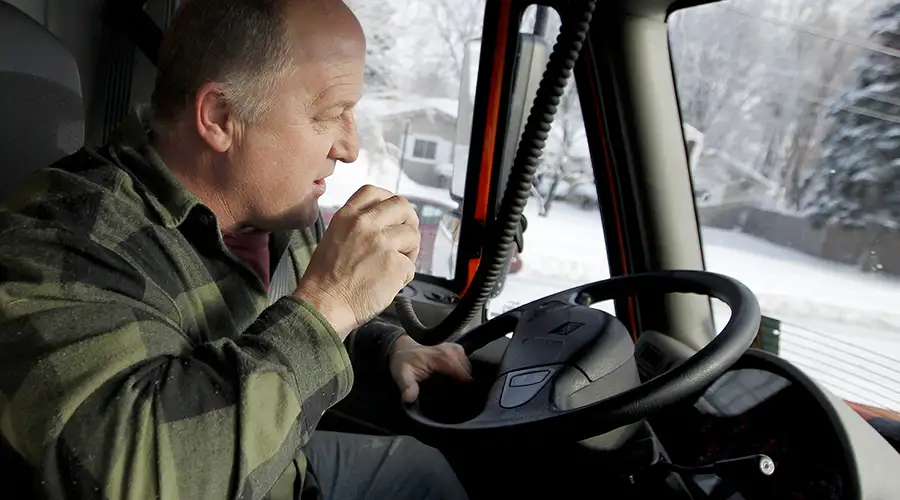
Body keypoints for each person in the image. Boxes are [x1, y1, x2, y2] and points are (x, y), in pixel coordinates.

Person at [0, 0, 473, 499]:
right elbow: (130, 477)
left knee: (422, 470)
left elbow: (290, 312)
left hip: (285, 469)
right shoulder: (62, 239)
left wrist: (387, 345)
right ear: (221, 117)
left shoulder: (272, 209)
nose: (349, 147)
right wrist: (332, 302)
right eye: (329, 115)